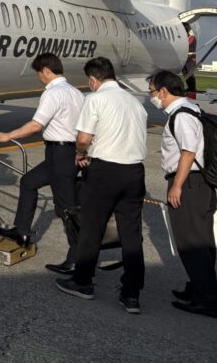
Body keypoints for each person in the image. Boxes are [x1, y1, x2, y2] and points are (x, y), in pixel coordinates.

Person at [55, 57, 147, 314]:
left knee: (92, 229)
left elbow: (83, 138)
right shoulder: (134, 101)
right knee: (131, 235)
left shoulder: (95, 99)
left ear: (93, 79)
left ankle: (82, 282)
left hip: (105, 170)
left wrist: (81, 153)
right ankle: (131, 295)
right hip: (134, 172)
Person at [0, 52, 83, 268]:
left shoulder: (53, 93)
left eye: (39, 73)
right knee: (29, 182)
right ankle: (22, 231)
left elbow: (35, 125)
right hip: (65, 153)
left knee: (67, 208)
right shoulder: (76, 92)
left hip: (61, 154)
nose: (39, 77)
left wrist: (7, 136)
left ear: (46, 71)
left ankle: (77, 259)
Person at [150, 69, 217, 317]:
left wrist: (177, 185)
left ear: (164, 91)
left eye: (153, 92)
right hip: (199, 183)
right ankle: (200, 289)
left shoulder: (181, 116)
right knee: (202, 240)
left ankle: (207, 300)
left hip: (190, 183)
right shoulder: (191, 109)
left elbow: (188, 152)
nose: (153, 97)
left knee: (192, 243)